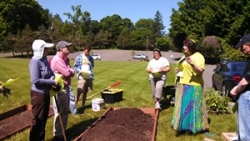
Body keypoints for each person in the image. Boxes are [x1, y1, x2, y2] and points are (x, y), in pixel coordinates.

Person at [171, 39, 209, 136]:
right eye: (184, 45)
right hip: (182, 84)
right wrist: (178, 69)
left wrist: (192, 64)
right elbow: (183, 67)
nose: (184, 47)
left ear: (191, 47)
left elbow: (200, 71)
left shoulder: (198, 56)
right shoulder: (185, 56)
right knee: (182, 106)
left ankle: (191, 128)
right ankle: (181, 126)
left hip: (194, 85)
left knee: (192, 107)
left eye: (186, 45)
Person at [28, 39, 57, 141]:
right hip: (38, 95)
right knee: (37, 120)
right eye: (46, 48)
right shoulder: (35, 61)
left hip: (45, 93)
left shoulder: (44, 59)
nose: (48, 50)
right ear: (40, 50)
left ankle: (41, 139)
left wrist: (53, 78)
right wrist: (51, 82)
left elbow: (49, 73)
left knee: (43, 119)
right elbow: (35, 80)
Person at [50, 41, 75, 140]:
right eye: (67, 47)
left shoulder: (64, 59)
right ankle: (58, 135)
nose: (69, 48)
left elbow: (70, 71)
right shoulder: (58, 60)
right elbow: (68, 73)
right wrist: (69, 71)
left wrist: (69, 71)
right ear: (60, 48)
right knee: (60, 112)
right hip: (60, 89)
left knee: (64, 111)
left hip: (64, 87)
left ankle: (62, 131)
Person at [230, 33, 250, 140]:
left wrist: (235, 90)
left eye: (243, 48)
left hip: (247, 95)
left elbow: (245, 81)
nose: (242, 51)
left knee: (245, 129)